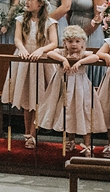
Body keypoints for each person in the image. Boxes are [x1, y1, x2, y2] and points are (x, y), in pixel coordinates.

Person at [1, 0, 60, 149]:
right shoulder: (21, 19)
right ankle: (28, 133)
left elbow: (54, 43)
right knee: (27, 98)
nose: (26, 2)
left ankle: (34, 133)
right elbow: (18, 39)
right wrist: (22, 49)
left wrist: (41, 50)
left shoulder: (49, 22)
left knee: (39, 98)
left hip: (41, 62)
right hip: (25, 59)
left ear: (40, 3)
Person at [36, 25, 105, 155]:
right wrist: (63, 60)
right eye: (70, 41)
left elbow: (95, 57)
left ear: (83, 43)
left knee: (83, 112)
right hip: (63, 86)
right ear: (65, 43)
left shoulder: (84, 54)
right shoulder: (62, 53)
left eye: (77, 41)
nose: (74, 45)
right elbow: (50, 53)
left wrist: (80, 62)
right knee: (67, 112)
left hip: (80, 88)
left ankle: (87, 144)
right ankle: (70, 140)